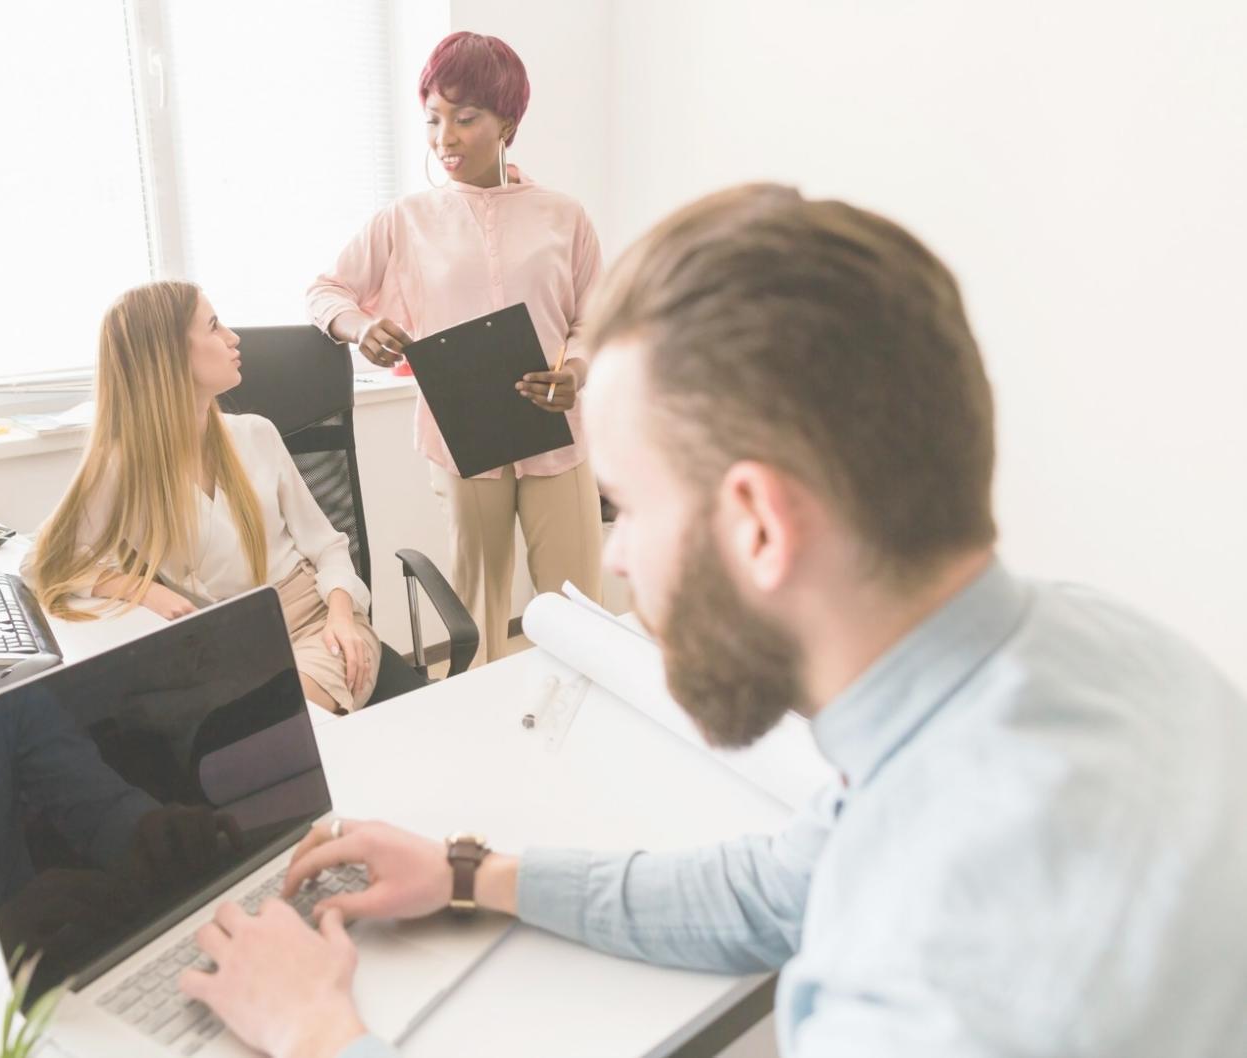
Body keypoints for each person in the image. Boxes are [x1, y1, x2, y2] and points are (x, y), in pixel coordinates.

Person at [174, 186, 1247, 1058]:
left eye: (628, 505)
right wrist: (469, 872)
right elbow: (774, 886)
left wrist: (321, 1035)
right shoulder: (1088, 646)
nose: (619, 555)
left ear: (758, 526)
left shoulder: (930, 977)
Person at [307, 31, 605, 664]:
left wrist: (577, 368)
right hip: (462, 436)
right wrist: (360, 328)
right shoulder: (405, 220)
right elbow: (325, 290)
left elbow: (597, 317)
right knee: (477, 613)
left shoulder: (564, 216)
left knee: (581, 609)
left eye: (466, 118)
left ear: (508, 124)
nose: (446, 136)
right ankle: (483, 738)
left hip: (558, 432)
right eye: (433, 119)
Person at [27, 280, 381, 713]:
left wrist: (343, 617)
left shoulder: (255, 434)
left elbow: (327, 547)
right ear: (169, 355)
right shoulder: (120, 467)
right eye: (213, 326)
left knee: (280, 722)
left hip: (314, 621)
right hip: (218, 646)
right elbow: (44, 562)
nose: (233, 338)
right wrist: (141, 590)